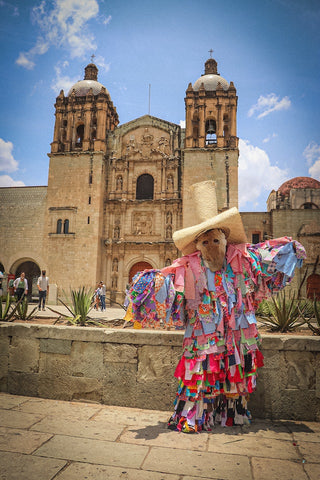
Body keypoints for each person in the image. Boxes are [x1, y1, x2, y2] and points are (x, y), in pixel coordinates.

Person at [126, 181, 306, 433]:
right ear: (197, 246)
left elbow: (268, 257)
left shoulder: (242, 259)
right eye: (205, 242)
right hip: (202, 335)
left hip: (238, 333)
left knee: (237, 371)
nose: (212, 246)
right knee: (200, 371)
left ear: (225, 240)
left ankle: (232, 414)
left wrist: (290, 248)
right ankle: (195, 417)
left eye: (216, 240)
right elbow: (166, 284)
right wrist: (148, 284)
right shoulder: (187, 267)